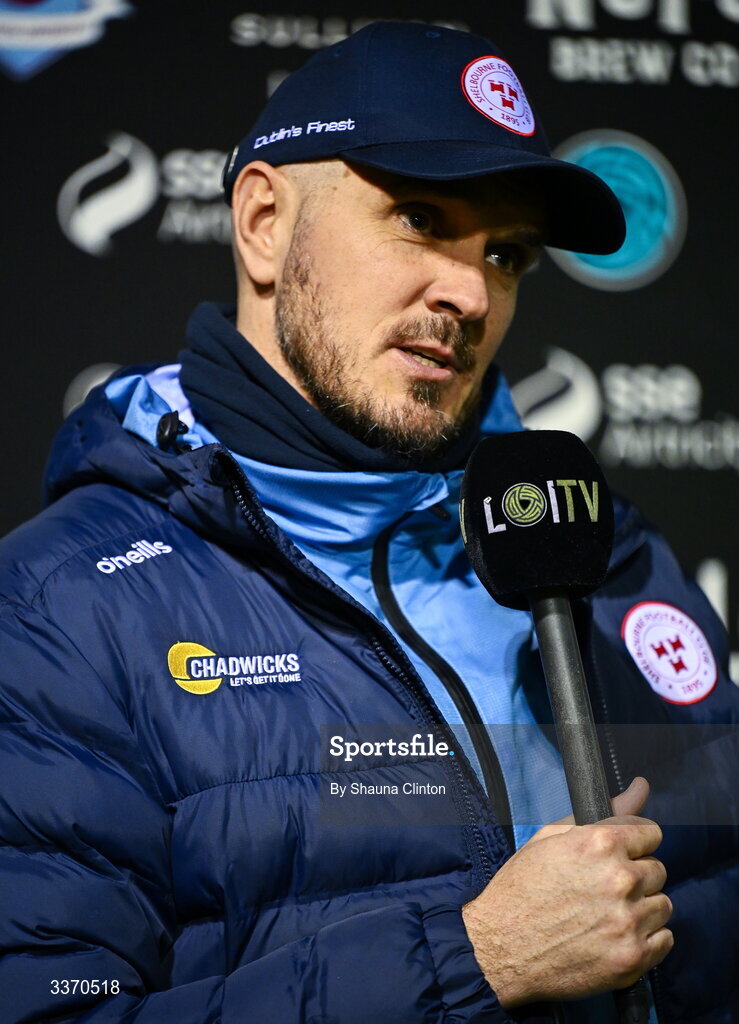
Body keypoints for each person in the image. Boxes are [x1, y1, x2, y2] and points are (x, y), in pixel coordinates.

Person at [0, 21, 736, 1024]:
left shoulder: (606, 558)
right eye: (420, 218)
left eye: (506, 253)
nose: (469, 291)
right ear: (262, 221)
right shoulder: (58, 609)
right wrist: (478, 959)